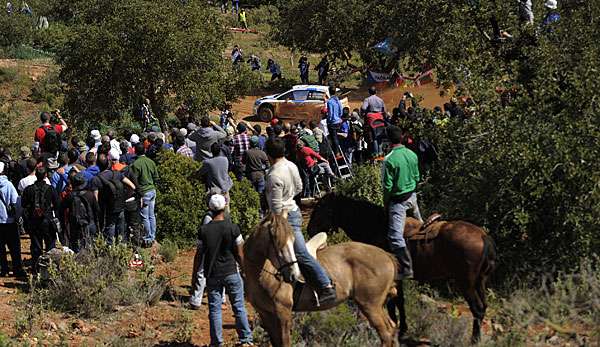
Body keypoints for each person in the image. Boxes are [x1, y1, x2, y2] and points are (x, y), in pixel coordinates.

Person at [265, 138, 336, 304]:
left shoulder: (273, 175)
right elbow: (299, 187)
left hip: (284, 217)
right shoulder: (291, 165)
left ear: (269, 155)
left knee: (300, 253)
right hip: (293, 210)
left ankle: (325, 285)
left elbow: (275, 207)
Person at [199, 194, 253, 346]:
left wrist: (194, 275)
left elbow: (199, 255)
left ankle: (217, 343)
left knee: (215, 310)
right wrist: (245, 272)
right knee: (239, 307)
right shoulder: (233, 228)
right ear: (224, 207)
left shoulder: (204, 230)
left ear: (210, 209)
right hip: (231, 272)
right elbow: (240, 253)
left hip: (213, 274)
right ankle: (246, 340)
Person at [382, 126, 423, 279]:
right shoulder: (412, 154)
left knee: (394, 237)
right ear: (401, 137)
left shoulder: (389, 159)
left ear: (388, 140)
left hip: (398, 203)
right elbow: (417, 177)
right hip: (413, 197)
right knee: (423, 227)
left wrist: (386, 203)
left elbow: (387, 187)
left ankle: (406, 268)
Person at [91, 154, 136, 243]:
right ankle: (122, 248)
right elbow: (132, 186)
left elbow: (95, 198)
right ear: (108, 163)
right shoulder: (117, 174)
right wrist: (125, 197)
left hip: (108, 208)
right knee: (121, 229)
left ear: (98, 165)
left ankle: (110, 249)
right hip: (120, 205)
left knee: (110, 227)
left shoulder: (96, 179)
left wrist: (97, 210)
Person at [21, 167, 59, 270]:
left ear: (36, 175)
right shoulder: (51, 189)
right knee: (50, 245)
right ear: (45, 175)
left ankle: (36, 267)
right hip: (47, 220)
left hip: (34, 221)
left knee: (36, 246)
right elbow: (57, 205)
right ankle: (50, 268)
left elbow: (23, 204)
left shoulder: (28, 189)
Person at [129, 143, 159, 247]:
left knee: (145, 216)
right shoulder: (151, 162)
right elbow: (156, 177)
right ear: (145, 151)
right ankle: (152, 236)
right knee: (151, 215)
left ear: (135, 151)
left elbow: (134, 180)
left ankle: (148, 238)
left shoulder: (136, 164)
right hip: (152, 190)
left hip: (144, 192)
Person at [0, 162, 26, 278]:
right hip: (9, 221)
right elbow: (16, 202)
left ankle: (3, 269)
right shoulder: (8, 185)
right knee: (14, 248)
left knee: (0, 248)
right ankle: (17, 269)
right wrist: (18, 217)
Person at [62, 173, 99, 252]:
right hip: (89, 222)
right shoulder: (90, 194)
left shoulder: (70, 196)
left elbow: (62, 208)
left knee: (76, 247)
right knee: (90, 246)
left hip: (75, 225)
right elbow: (97, 210)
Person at [326, 86, 343, 155]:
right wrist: (338, 117)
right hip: (339, 121)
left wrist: (329, 120)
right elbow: (341, 111)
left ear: (329, 92)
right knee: (337, 136)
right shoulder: (337, 100)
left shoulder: (330, 101)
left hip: (333, 122)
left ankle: (336, 152)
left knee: (334, 138)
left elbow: (330, 113)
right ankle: (339, 150)